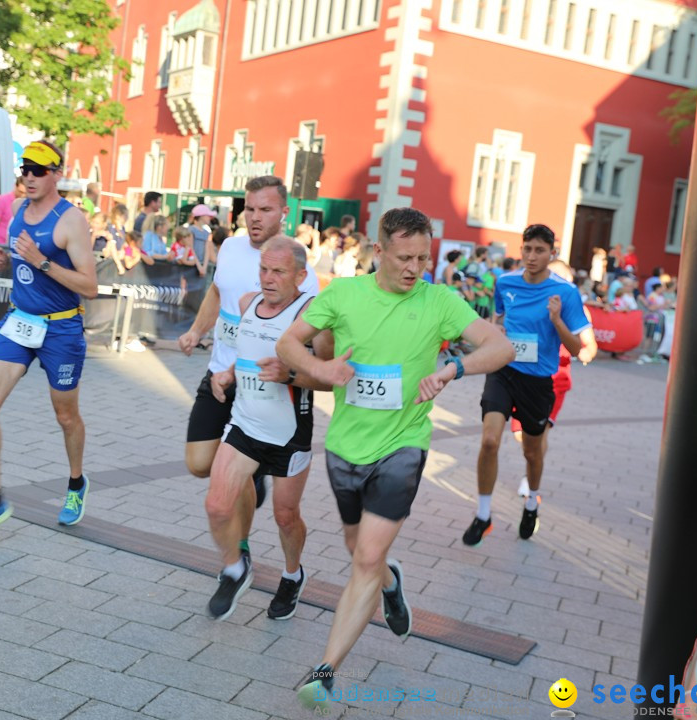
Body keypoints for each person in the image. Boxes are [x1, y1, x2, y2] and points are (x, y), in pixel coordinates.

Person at [277, 208, 514, 709]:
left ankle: (325, 671)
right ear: (378, 251)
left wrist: (455, 368)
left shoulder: (439, 300)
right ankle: (391, 582)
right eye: (405, 257)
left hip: (404, 445)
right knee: (356, 547)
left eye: (423, 258)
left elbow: (500, 345)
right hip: (345, 447)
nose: (415, 268)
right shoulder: (343, 295)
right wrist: (322, 366)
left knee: (365, 557)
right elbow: (287, 343)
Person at [0, 140, 98, 544]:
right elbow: (20, 261)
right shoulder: (19, 211)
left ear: (57, 173)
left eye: (39, 170)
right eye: (25, 169)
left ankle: (75, 484)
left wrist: (41, 261)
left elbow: (89, 286)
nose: (30, 176)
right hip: (20, 322)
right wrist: (5, 262)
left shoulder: (70, 220)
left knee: (66, 417)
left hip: (61, 329)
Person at [177, 176, 320, 546]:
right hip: (220, 370)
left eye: (265, 210)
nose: (254, 217)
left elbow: (306, 339)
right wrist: (196, 330)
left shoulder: (301, 271)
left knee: (236, 470)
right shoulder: (230, 248)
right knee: (198, 463)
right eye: (250, 209)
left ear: (284, 213)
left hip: (262, 386)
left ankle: (239, 550)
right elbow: (216, 290)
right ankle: (250, 474)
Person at [204, 237, 331, 621]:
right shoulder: (246, 304)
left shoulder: (312, 318)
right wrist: (228, 373)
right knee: (216, 505)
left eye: (278, 272)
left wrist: (292, 374)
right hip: (244, 423)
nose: (268, 279)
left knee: (285, 516)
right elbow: (246, 354)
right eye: (264, 270)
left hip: (289, 432)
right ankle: (234, 568)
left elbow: (330, 378)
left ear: (300, 276)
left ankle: (292, 575)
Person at [463, 224, 592, 547]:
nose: (532, 256)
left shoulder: (565, 293)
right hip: (503, 370)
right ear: (520, 250)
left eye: (539, 250)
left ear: (552, 253)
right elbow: (499, 320)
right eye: (527, 249)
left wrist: (557, 321)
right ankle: (483, 515)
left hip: (537, 382)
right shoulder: (505, 282)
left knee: (532, 452)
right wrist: (496, 334)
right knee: (490, 440)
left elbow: (578, 349)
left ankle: (532, 501)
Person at [511, 260, 598, 491]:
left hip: (555, 379)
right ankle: (532, 468)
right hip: (521, 376)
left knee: (538, 434)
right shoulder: (529, 300)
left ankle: (530, 479)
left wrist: (584, 352)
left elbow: (589, 347)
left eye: (561, 279)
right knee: (520, 435)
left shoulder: (576, 307)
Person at [0, 177, 26, 245]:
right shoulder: (2, 200)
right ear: (15, 186)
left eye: (25, 193)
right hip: (1, 245)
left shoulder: (27, 202)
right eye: (20, 192)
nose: (23, 195)